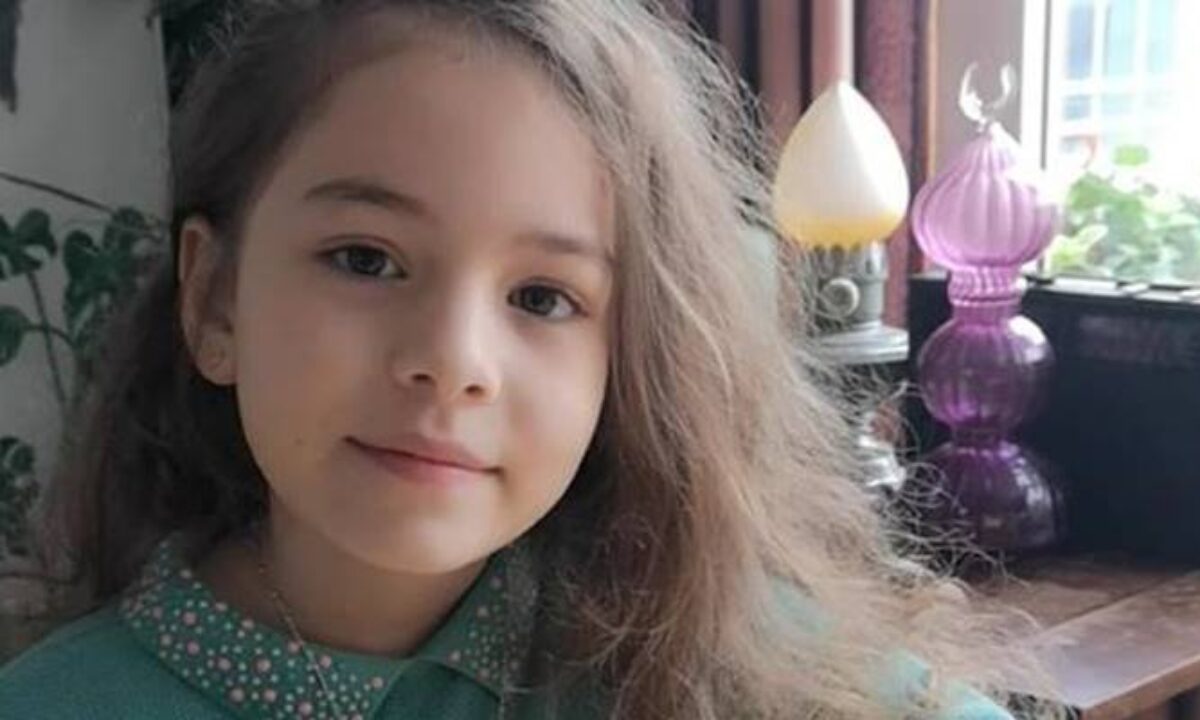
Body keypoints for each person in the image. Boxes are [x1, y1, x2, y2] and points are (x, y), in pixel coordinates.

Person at [0, 1, 1039, 717]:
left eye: (543, 297)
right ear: (214, 299)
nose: (453, 362)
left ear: (625, 363)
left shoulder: (698, 651)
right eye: (365, 258)